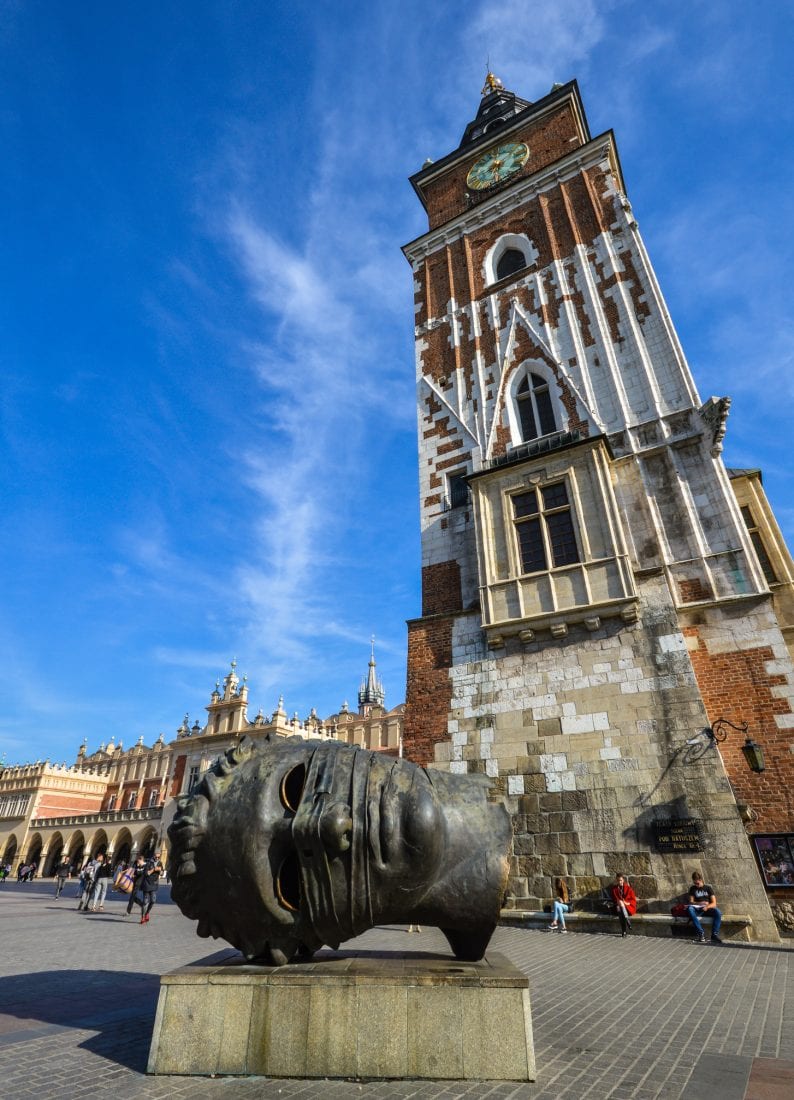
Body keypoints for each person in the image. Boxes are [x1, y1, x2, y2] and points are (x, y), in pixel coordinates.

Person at [687, 871, 722, 944]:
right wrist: (699, 903)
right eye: (694, 883)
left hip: (707, 909)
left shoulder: (708, 888)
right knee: (690, 909)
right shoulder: (693, 889)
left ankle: (714, 935)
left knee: (718, 912)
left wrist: (707, 907)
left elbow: (714, 903)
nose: (696, 885)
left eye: (697, 883)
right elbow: (691, 902)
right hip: (697, 909)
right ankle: (701, 933)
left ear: (701, 880)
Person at [139, 853, 164, 924]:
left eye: (158, 857)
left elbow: (162, 873)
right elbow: (146, 873)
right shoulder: (148, 863)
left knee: (153, 900)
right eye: (156, 857)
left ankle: (147, 913)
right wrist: (153, 870)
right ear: (153, 856)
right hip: (147, 884)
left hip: (154, 884)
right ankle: (143, 917)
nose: (157, 858)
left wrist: (160, 871)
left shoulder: (160, 863)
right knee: (145, 902)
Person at [610, 873, 636, 937]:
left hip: (628, 908)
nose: (620, 882)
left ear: (623, 880)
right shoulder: (614, 889)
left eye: (621, 880)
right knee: (619, 907)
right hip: (618, 908)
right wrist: (618, 902)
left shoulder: (628, 888)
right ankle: (628, 922)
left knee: (620, 907)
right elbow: (614, 900)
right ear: (616, 880)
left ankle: (623, 931)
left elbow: (633, 900)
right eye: (618, 880)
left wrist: (626, 903)